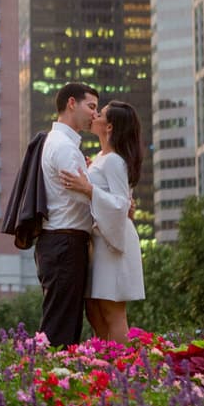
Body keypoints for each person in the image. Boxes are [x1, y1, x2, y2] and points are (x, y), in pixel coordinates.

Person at [60, 100, 144, 344]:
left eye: (101, 113)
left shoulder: (115, 160)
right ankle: (106, 364)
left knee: (111, 311)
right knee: (94, 310)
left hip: (113, 244)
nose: (95, 115)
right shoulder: (101, 157)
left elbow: (120, 204)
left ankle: (124, 370)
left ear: (110, 127)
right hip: (100, 242)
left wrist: (89, 189)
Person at [35, 82, 99, 347]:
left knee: (65, 322)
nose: (94, 114)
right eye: (91, 106)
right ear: (72, 103)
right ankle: (47, 381)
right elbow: (80, 196)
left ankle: (54, 380)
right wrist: (105, 195)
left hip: (61, 243)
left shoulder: (60, 142)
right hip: (65, 243)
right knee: (60, 327)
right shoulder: (63, 146)